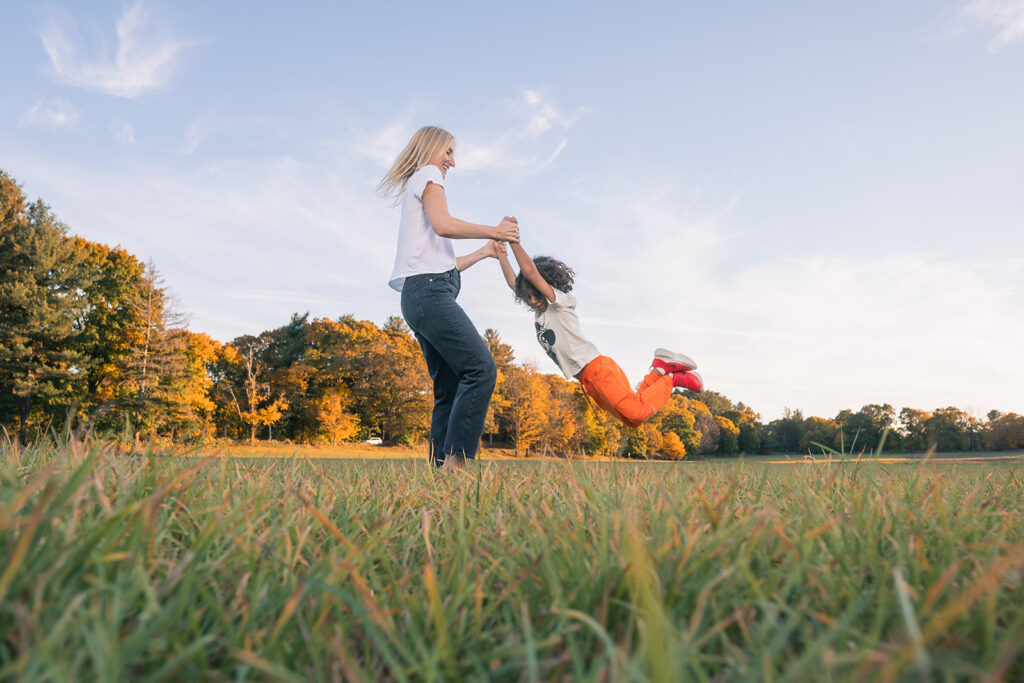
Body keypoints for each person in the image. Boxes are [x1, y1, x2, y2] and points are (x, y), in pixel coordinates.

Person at [378, 126, 520, 469]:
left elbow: (444, 263)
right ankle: (456, 467)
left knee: (449, 386)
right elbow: (443, 223)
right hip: (429, 292)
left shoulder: (418, 182)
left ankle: (439, 471)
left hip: (420, 296)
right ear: (432, 149)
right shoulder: (428, 174)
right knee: (480, 369)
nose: (452, 162)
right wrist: (495, 231)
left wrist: (486, 251)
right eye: (448, 153)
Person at [495, 239, 703, 429]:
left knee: (637, 412)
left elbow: (530, 273)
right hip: (588, 381)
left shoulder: (558, 303)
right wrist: (501, 254)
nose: (531, 300)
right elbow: (515, 283)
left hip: (597, 371)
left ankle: (674, 379)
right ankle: (659, 369)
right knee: (632, 419)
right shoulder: (540, 314)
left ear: (546, 285)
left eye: (535, 293)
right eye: (528, 297)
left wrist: (513, 240)